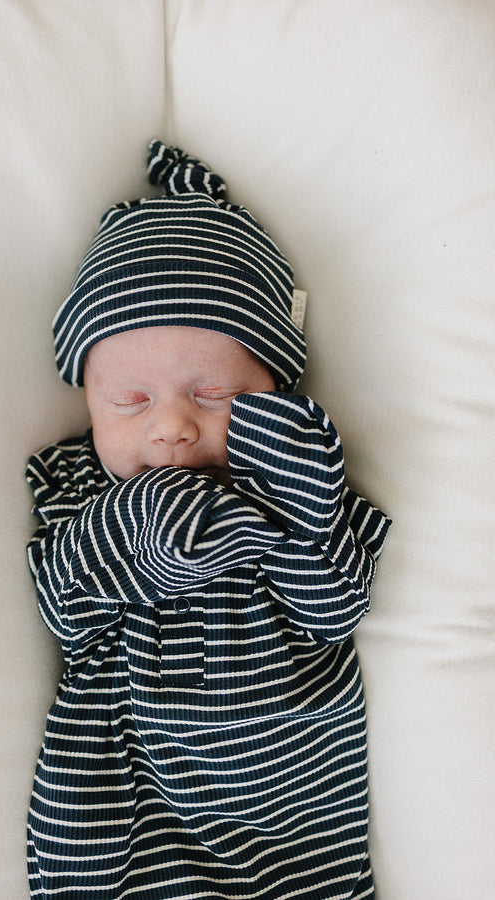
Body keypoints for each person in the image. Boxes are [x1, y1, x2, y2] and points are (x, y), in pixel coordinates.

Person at [25, 139, 391, 899]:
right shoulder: (78, 485)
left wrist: (297, 502)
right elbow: (64, 607)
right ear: (87, 399)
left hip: (297, 811)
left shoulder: (299, 485)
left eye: (213, 395)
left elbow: (336, 610)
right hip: (129, 796)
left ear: (275, 393)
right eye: (128, 401)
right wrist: (162, 519)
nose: (170, 427)